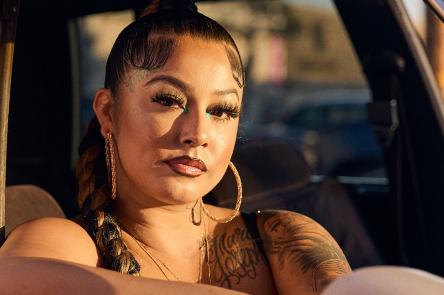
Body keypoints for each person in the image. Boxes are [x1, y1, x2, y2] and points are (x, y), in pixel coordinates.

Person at [0, 1, 351, 294]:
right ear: (108, 112)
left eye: (222, 111)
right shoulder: (69, 244)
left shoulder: (282, 238)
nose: (197, 133)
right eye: (168, 100)